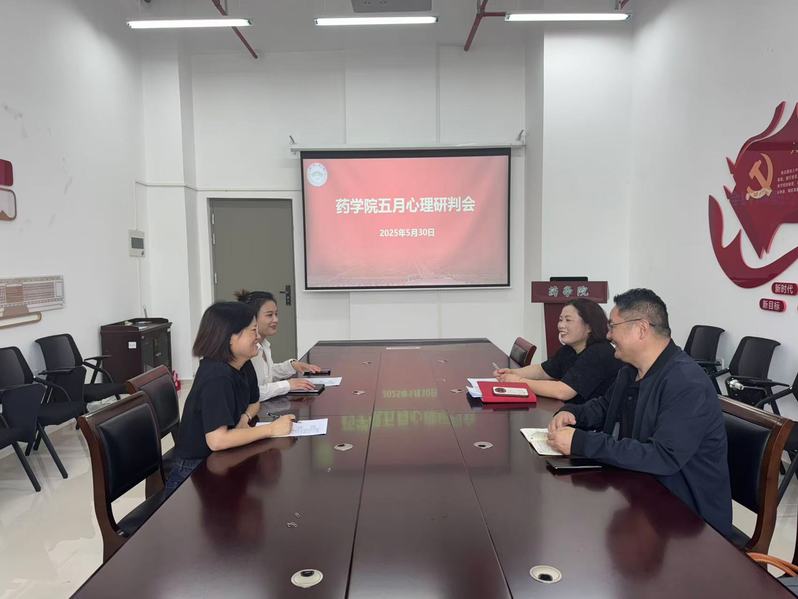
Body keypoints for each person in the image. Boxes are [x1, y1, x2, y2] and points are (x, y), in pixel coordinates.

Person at [546, 288, 732, 537]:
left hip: (689, 521)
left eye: (613, 327)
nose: (608, 335)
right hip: (639, 491)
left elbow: (662, 456)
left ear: (641, 329)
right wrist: (571, 413)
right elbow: (604, 406)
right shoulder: (630, 370)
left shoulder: (687, 383)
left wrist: (582, 442)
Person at [165, 301, 295, 494]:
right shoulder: (217, 377)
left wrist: (245, 418)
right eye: (253, 331)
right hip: (194, 473)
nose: (258, 336)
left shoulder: (243, 363)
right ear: (230, 338)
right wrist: (271, 429)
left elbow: (254, 402)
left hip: (220, 460)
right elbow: (217, 440)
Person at [494, 298, 623, 402]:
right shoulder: (569, 349)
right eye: (560, 320)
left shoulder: (599, 353)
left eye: (568, 320)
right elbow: (543, 370)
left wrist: (519, 382)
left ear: (589, 327)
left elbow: (562, 391)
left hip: (595, 423)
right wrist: (514, 372)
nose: (561, 325)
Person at [235, 289, 321, 400]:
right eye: (269, 315)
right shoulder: (246, 350)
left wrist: (292, 366)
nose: (275, 320)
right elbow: (253, 393)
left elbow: (266, 375)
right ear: (252, 318)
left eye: (276, 314)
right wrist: (287, 385)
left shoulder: (264, 344)